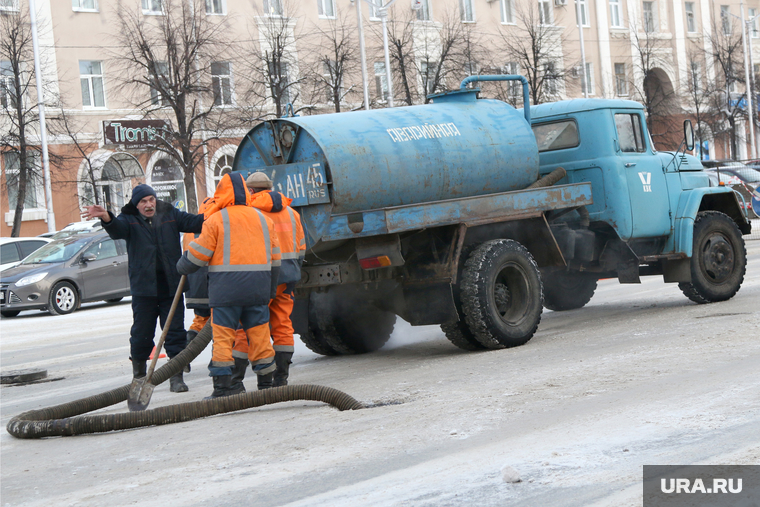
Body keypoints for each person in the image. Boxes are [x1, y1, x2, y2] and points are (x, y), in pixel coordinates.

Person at [82, 184, 203, 393]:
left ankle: (177, 377)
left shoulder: (170, 214)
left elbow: (195, 222)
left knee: (174, 333)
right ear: (136, 205)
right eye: (143, 202)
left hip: (170, 286)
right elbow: (117, 230)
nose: (148, 205)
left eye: (151, 200)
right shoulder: (128, 219)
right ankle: (139, 377)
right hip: (144, 289)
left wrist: (218, 213)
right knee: (141, 334)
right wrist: (106, 218)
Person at [176, 173, 281, 398]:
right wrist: (270, 290)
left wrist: (182, 264)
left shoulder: (216, 220)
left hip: (226, 292)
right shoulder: (264, 219)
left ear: (221, 193)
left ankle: (224, 387)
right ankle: (266, 384)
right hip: (258, 290)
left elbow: (199, 255)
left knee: (223, 338)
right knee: (260, 336)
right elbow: (275, 259)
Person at [244, 171, 305, 389]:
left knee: (257, 325)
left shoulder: (251, 213)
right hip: (288, 277)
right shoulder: (291, 212)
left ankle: (264, 380)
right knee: (283, 324)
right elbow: (301, 248)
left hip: (263, 277)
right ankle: (282, 378)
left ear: (251, 191)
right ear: (270, 188)